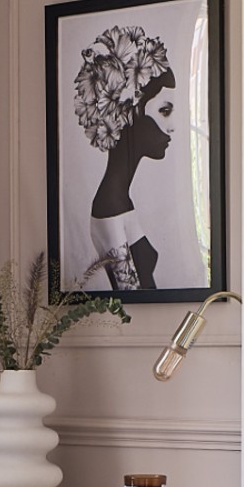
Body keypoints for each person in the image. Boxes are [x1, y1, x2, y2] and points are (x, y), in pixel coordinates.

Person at [71, 24, 179, 292]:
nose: (173, 127)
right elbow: (129, 298)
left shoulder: (119, 200)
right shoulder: (109, 206)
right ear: (130, 112)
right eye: (165, 111)